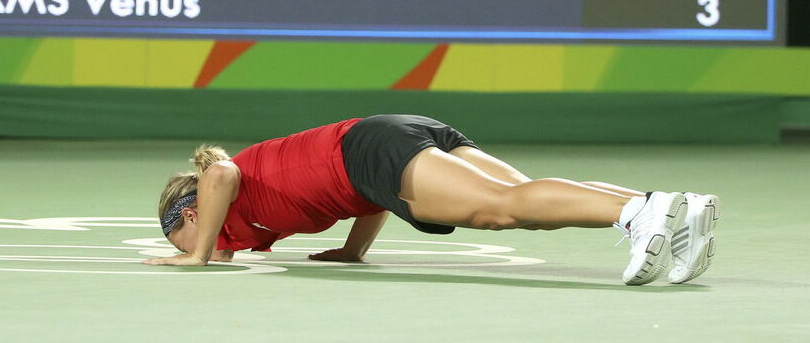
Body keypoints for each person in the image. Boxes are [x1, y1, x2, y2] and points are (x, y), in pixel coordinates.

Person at [146, 115, 719, 285]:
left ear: (190, 214)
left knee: (499, 208)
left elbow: (219, 173)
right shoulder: (258, 210)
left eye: (179, 235)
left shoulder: (226, 185)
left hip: (371, 148)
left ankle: (638, 215)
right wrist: (352, 250)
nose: (187, 244)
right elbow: (365, 197)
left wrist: (197, 257)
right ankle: (673, 209)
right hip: (381, 145)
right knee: (523, 207)